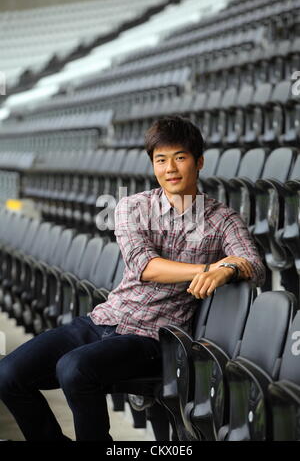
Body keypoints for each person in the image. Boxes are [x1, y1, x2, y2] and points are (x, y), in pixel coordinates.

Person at [0, 116, 265, 441]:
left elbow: (253, 263)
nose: (170, 168)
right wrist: (210, 268)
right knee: (8, 374)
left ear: (199, 162)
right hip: (104, 319)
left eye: (180, 158)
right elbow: (145, 265)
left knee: (74, 369)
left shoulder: (222, 219)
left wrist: (230, 268)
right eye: (161, 160)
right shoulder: (132, 207)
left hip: (154, 337)